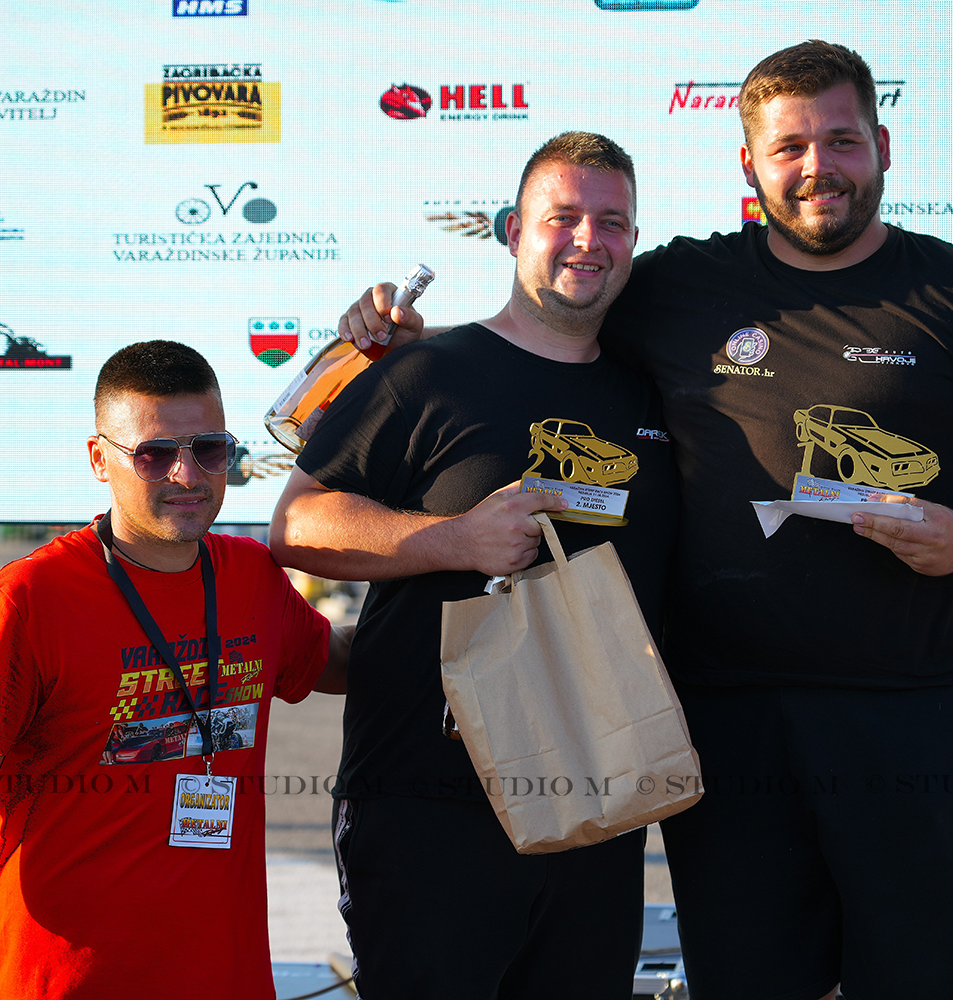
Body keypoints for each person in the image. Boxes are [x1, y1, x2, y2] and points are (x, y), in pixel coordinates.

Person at [338, 42, 953, 1000]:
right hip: (728, 726)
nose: (818, 167)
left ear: (882, 147)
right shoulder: (674, 287)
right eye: (789, 146)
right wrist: (404, 341)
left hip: (925, 713)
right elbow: (543, 329)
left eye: (841, 141)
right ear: (749, 164)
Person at [270, 132, 681, 999]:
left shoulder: (655, 391)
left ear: (635, 242)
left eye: (612, 222)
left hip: (597, 791)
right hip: (429, 800)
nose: (588, 239)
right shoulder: (427, 371)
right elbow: (297, 525)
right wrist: (453, 540)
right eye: (562, 217)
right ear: (513, 232)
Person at [0, 340, 350, 1000]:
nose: (187, 474)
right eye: (154, 454)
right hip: (67, 984)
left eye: (209, 449)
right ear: (99, 459)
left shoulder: (252, 576)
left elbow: (342, 663)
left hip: (227, 980)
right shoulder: (27, 600)